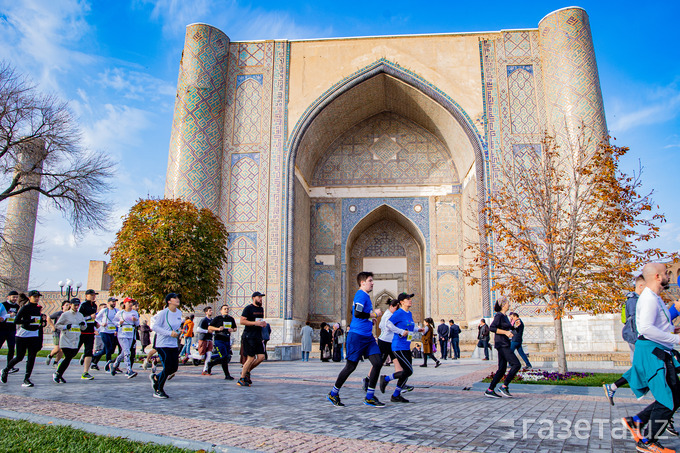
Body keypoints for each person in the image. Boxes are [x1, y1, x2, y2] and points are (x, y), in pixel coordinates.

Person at [621, 263, 680, 453]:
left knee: (673, 396)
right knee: (668, 399)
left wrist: (672, 330)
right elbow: (645, 329)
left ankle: (636, 421)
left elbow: (657, 325)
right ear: (656, 276)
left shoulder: (655, 297)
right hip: (654, 353)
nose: (668, 276)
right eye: (665, 273)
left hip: (660, 351)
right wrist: (675, 338)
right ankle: (647, 441)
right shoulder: (648, 298)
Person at [327, 271, 384, 408]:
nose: (372, 283)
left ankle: (369, 397)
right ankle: (333, 393)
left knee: (377, 362)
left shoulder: (365, 296)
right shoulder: (361, 294)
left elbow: (355, 313)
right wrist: (374, 313)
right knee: (351, 366)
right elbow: (358, 313)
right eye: (370, 280)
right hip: (357, 336)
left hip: (367, 337)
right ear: (362, 282)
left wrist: (371, 320)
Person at [380, 293, 424, 402]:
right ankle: (385, 379)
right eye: (407, 299)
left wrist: (418, 330)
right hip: (398, 346)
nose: (410, 300)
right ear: (401, 302)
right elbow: (389, 324)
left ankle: (395, 395)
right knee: (409, 371)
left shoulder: (409, 313)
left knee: (406, 372)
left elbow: (409, 328)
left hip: (406, 346)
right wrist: (400, 331)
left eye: (410, 298)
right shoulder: (398, 313)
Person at [1, 290, 44, 387]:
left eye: (38, 297)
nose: (37, 298)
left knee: (32, 357)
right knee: (20, 357)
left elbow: (38, 323)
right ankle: (6, 370)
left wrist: (42, 322)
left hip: (34, 335)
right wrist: (30, 320)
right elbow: (16, 321)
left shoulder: (38, 308)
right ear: (30, 297)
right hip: (23, 335)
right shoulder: (25, 308)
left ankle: (26, 379)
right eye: (35, 296)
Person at [485, 297, 521, 398]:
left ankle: (490, 389)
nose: (509, 305)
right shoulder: (499, 315)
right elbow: (492, 328)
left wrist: (514, 327)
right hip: (502, 344)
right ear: (503, 305)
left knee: (502, 369)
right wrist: (505, 332)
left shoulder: (505, 316)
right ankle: (504, 386)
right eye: (508, 303)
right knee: (516, 364)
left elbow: (507, 328)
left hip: (505, 343)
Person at [149, 293, 183, 398]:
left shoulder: (179, 313)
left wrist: (178, 331)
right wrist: (169, 333)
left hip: (173, 343)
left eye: (178, 298)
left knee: (174, 368)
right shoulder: (163, 313)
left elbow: (176, 327)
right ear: (169, 301)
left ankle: (156, 377)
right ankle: (159, 389)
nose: (177, 300)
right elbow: (155, 327)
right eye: (175, 298)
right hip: (162, 344)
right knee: (167, 367)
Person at [52, 298, 87, 383]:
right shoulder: (65, 315)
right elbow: (57, 325)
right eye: (74, 305)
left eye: (77, 305)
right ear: (71, 305)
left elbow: (83, 327)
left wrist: (83, 325)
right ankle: (57, 374)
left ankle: (60, 374)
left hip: (75, 340)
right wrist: (65, 327)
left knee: (71, 356)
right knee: (68, 357)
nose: (76, 307)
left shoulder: (80, 315)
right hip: (66, 339)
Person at [238, 292, 267, 386]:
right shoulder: (248, 308)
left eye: (261, 298)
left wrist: (263, 324)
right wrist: (255, 324)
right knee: (251, 358)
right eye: (259, 297)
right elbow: (242, 321)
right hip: (249, 336)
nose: (261, 299)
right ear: (254, 298)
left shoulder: (261, 309)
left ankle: (247, 370)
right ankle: (241, 379)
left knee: (261, 357)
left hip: (258, 336)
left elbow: (258, 321)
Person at [206, 304, 236, 379]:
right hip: (219, 339)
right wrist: (218, 329)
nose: (226, 310)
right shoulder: (217, 318)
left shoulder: (231, 319)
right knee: (224, 356)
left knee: (226, 357)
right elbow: (209, 327)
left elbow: (235, 328)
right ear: (221, 311)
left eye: (227, 309)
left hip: (227, 339)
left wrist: (232, 330)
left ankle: (211, 364)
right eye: (225, 309)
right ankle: (227, 375)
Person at [111, 297, 139, 378]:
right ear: (125, 303)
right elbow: (114, 321)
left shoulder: (134, 313)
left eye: (132, 303)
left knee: (124, 352)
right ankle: (129, 370)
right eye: (129, 302)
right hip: (122, 333)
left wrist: (135, 320)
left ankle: (115, 364)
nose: (131, 304)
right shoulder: (120, 313)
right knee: (127, 352)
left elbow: (137, 324)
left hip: (130, 333)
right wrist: (119, 323)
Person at [92, 297, 119, 371]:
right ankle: (108, 365)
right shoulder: (104, 310)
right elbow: (97, 318)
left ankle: (92, 357)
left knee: (106, 350)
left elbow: (119, 319)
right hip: (104, 331)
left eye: (115, 302)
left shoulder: (117, 311)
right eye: (112, 302)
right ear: (109, 302)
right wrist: (101, 323)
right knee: (108, 348)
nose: (114, 303)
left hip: (112, 331)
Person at [622, 275, 646, 361]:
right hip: (634, 335)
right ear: (640, 286)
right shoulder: (634, 300)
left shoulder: (633, 299)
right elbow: (634, 319)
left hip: (633, 334)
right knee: (638, 359)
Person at [77, 289, 99, 380]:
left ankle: (85, 372)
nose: (93, 296)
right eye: (91, 295)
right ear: (86, 296)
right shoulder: (83, 305)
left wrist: (95, 323)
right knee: (73, 351)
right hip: (82, 332)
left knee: (89, 352)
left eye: (94, 295)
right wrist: (90, 317)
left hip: (90, 332)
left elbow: (92, 319)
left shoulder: (94, 306)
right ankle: (61, 366)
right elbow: (79, 318)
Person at [0, 291, 20, 374]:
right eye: (13, 297)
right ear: (8, 297)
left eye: (16, 297)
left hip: (12, 330)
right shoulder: (3, 305)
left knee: (11, 348)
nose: (15, 299)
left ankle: (10, 366)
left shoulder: (17, 306)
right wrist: (9, 315)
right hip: (2, 329)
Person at [45, 301, 69, 367]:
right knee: (57, 348)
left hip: (65, 333)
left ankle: (55, 362)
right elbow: (49, 317)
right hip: (57, 332)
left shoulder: (69, 314)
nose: (68, 306)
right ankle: (50, 356)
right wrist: (53, 326)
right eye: (66, 305)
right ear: (62, 306)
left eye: (69, 305)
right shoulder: (59, 313)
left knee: (62, 349)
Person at [196, 306, 214, 375]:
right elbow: (198, 329)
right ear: (206, 312)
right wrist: (207, 331)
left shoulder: (212, 320)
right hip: (203, 339)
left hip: (209, 340)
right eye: (209, 310)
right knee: (202, 356)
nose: (211, 312)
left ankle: (205, 370)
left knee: (209, 355)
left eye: (211, 310)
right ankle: (189, 356)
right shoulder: (204, 320)